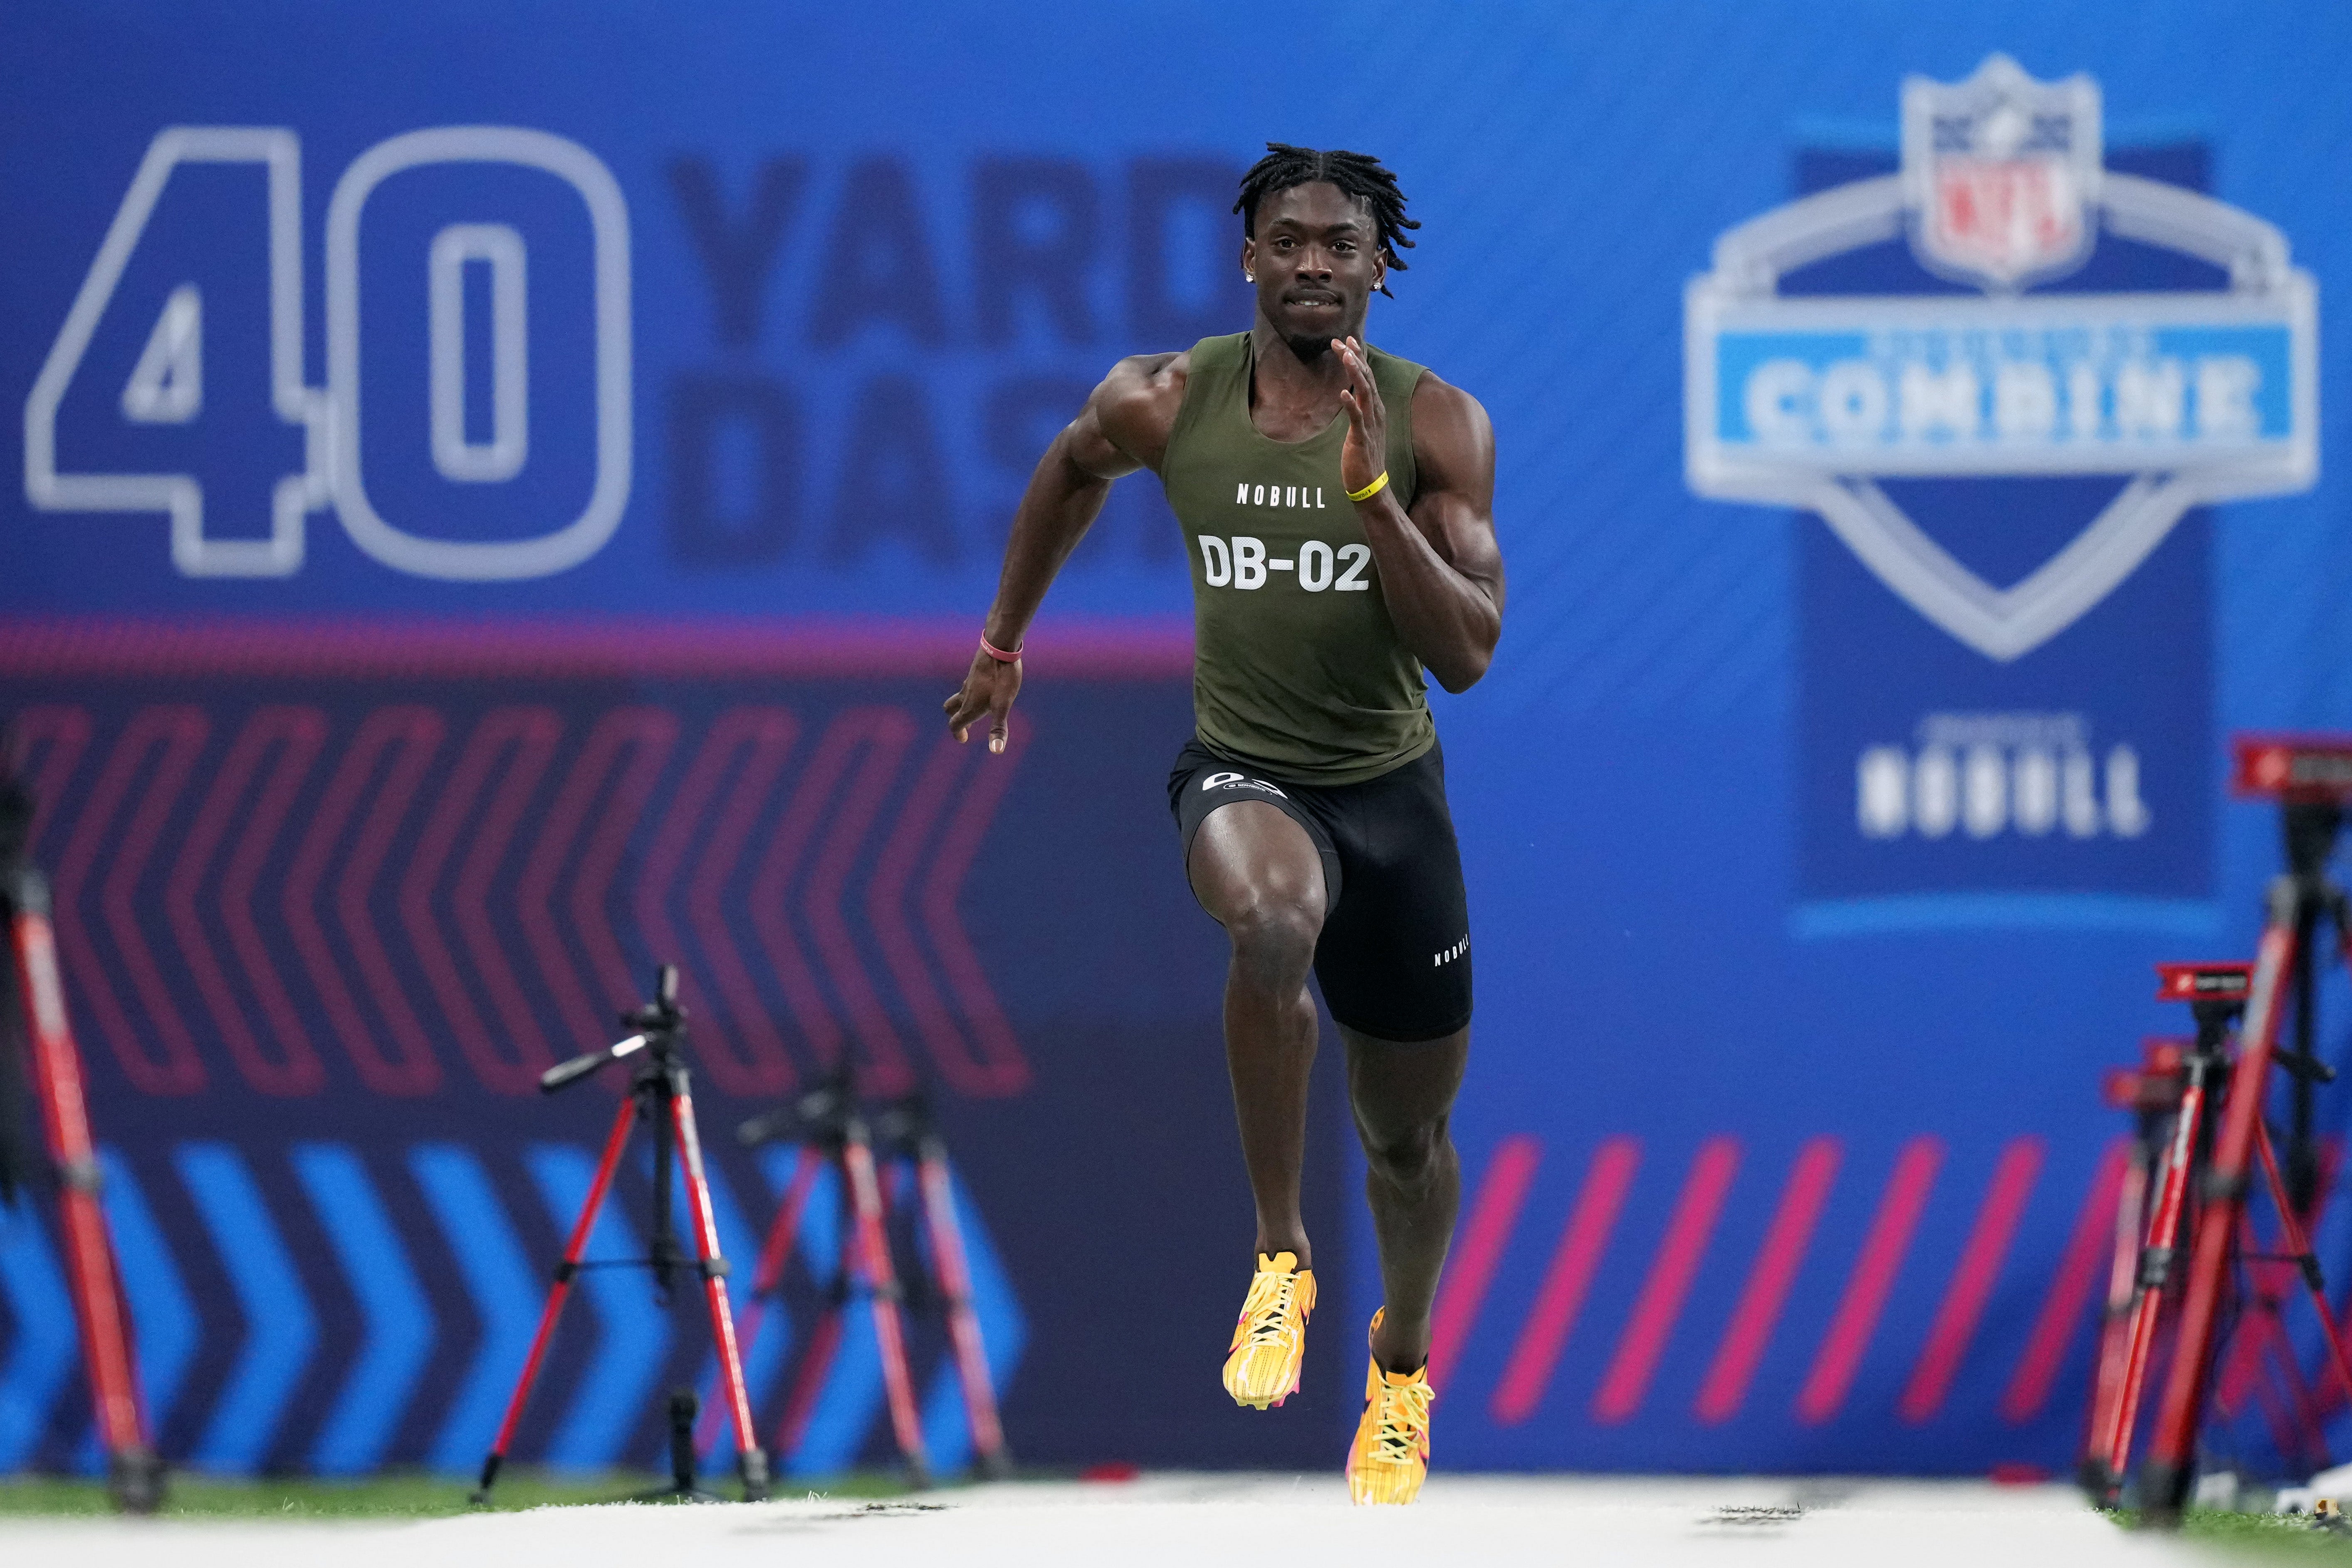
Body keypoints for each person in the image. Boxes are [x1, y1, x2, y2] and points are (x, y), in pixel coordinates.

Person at [942, 143, 1501, 1504]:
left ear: (1381, 267)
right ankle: (1280, 1261)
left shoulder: (1439, 428)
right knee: (1268, 918)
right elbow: (1070, 472)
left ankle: (1402, 1368)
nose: (1316, 262)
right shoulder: (1165, 398)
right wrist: (1006, 636)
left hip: (1393, 798)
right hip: (1245, 771)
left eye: (1343, 244)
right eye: (1291, 239)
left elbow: (1471, 652)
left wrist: (1374, 504)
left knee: (1408, 1141)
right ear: (1249, 256)